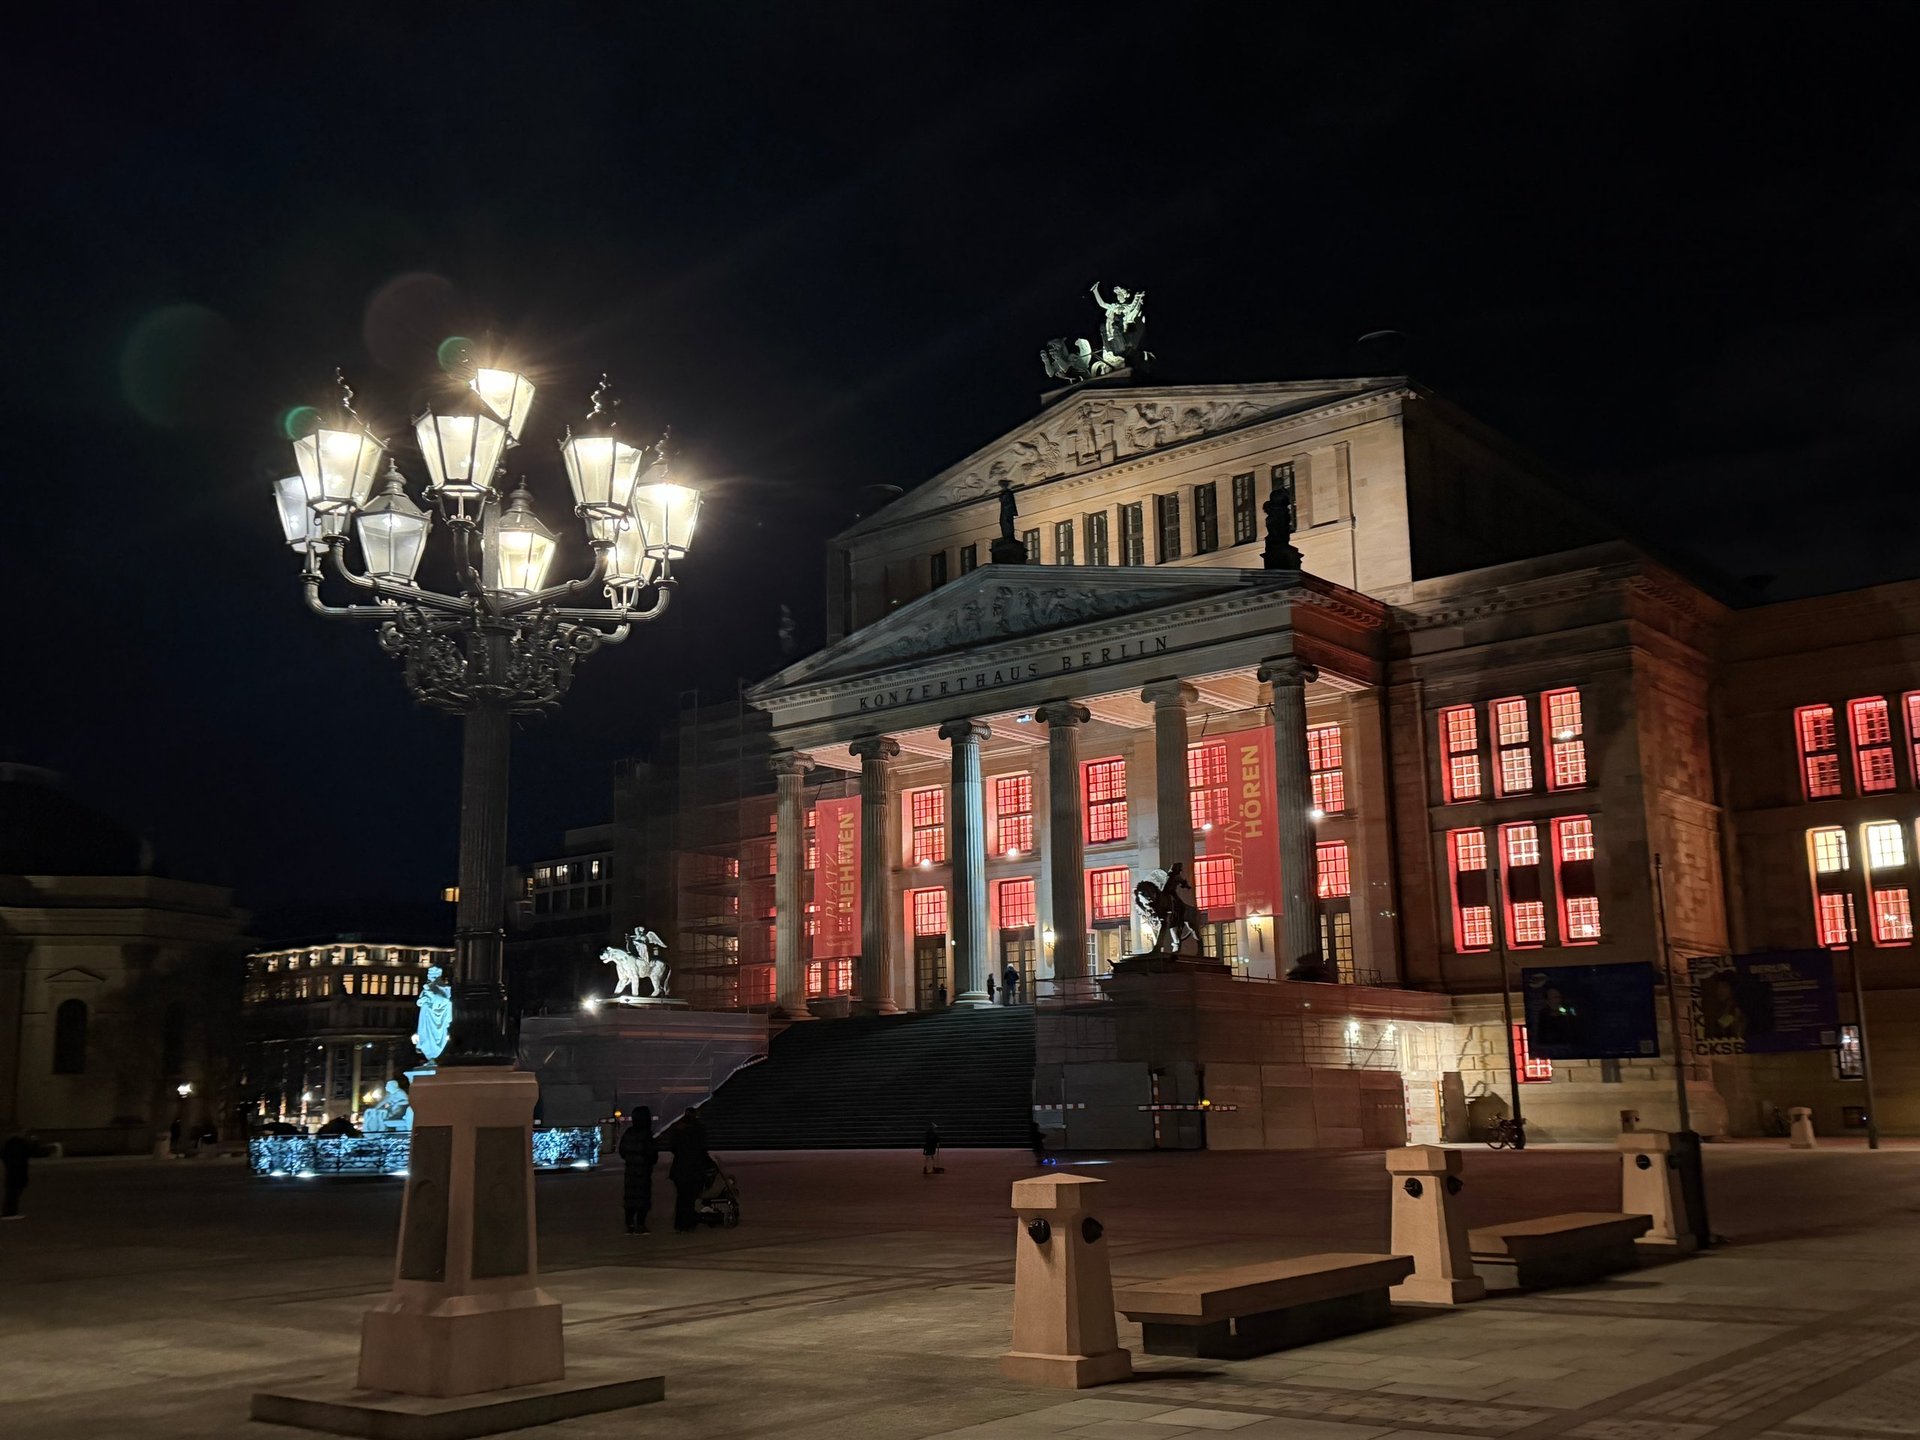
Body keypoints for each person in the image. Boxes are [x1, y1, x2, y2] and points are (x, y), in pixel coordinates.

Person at [667, 1105, 711, 1233]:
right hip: (694, 1168)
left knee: (681, 1197)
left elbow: (673, 1147)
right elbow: (702, 1149)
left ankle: (680, 1223)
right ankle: (688, 1221)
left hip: (679, 1168)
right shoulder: (698, 1129)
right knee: (690, 1197)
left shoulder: (678, 1129)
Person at [618, 1107, 658, 1235]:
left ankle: (629, 1224)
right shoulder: (646, 1134)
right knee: (643, 1197)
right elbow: (652, 1154)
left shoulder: (629, 1133)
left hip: (630, 1170)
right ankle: (640, 1225)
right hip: (643, 1171)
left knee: (630, 1198)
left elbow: (622, 1151)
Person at [2, 1131, 29, 1219]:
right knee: (14, 1192)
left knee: (12, 1192)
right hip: (17, 1171)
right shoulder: (20, 1144)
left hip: (12, 1171)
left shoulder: (8, 1144)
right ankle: (10, 1212)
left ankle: (10, 1211)